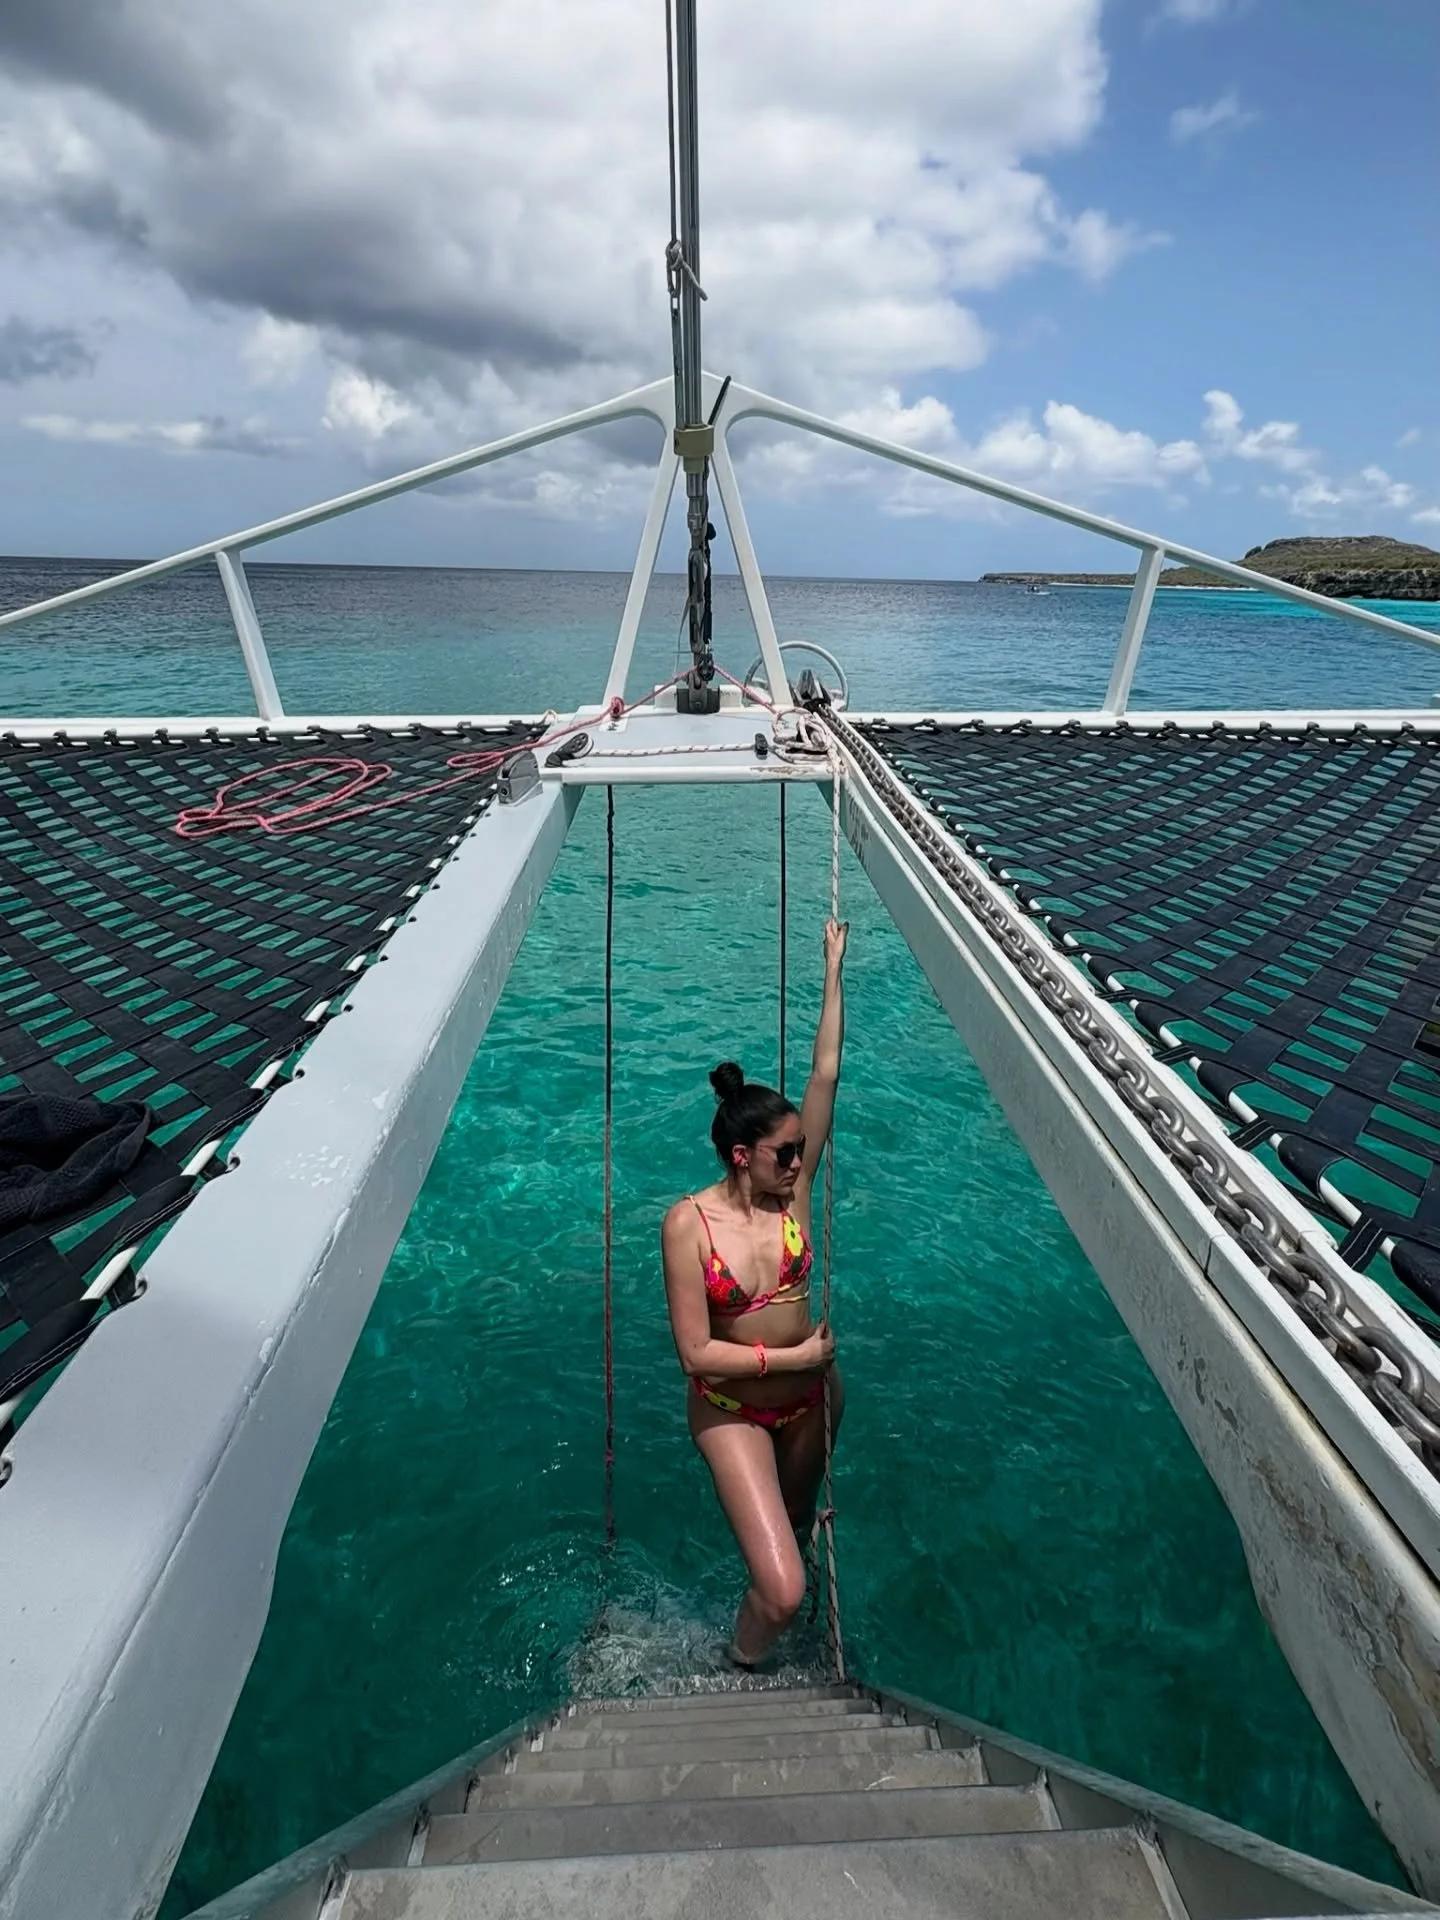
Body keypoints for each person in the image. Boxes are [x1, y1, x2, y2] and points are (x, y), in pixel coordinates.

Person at [661, 918, 847, 1668]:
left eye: (802, 1149)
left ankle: (789, 1643)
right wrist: (791, 1355)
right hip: (733, 1409)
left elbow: (825, 1073)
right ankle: (739, 1669)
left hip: (813, 1404)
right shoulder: (688, 1225)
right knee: (782, 1590)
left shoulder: (792, 1203)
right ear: (742, 1156)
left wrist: (833, 967)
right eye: (786, 1153)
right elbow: (695, 1355)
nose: (801, 1162)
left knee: (799, 1531)